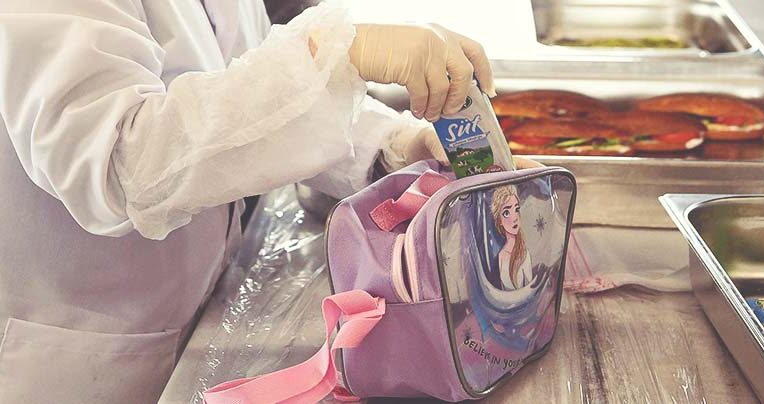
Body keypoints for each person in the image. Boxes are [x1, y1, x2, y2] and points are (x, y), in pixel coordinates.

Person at [0, 1, 500, 403]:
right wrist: (336, 55)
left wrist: (394, 144)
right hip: (80, 353)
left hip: (193, 307)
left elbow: (251, 103)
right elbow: (120, 165)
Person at [490, 186, 533, 290]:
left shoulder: (523, 253)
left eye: (516, 209)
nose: (514, 218)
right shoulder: (501, 256)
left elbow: (529, 291)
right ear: (499, 220)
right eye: (506, 213)